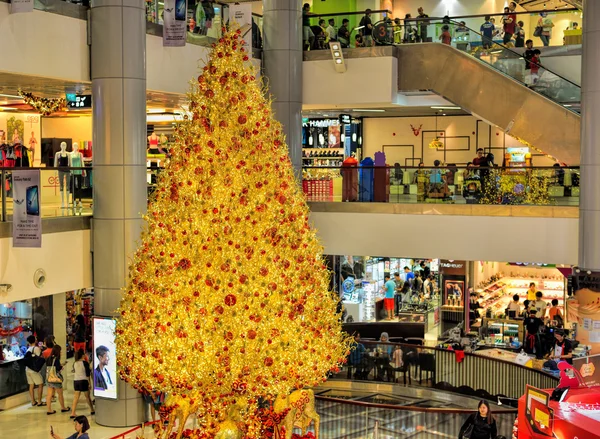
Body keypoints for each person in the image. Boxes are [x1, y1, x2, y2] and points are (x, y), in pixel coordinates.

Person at [46, 345, 70, 415]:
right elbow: (58, 369)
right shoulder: (56, 359)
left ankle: (49, 409)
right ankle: (63, 407)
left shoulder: (48, 358)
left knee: (49, 395)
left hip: (49, 378)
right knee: (60, 394)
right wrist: (62, 367)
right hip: (55, 378)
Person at [70, 349, 94, 419]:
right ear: (82, 355)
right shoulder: (85, 363)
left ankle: (73, 412)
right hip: (83, 381)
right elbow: (87, 374)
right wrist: (89, 383)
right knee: (87, 397)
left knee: (76, 398)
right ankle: (92, 409)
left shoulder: (75, 363)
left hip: (76, 381)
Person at [25, 335, 44, 406]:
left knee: (31, 385)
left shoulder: (28, 349)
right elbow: (40, 358)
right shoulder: (36, 348)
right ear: (34, 340)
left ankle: (33, 401)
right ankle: (39, 401)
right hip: (34, 370)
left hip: (27, 369)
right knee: (40, 384)